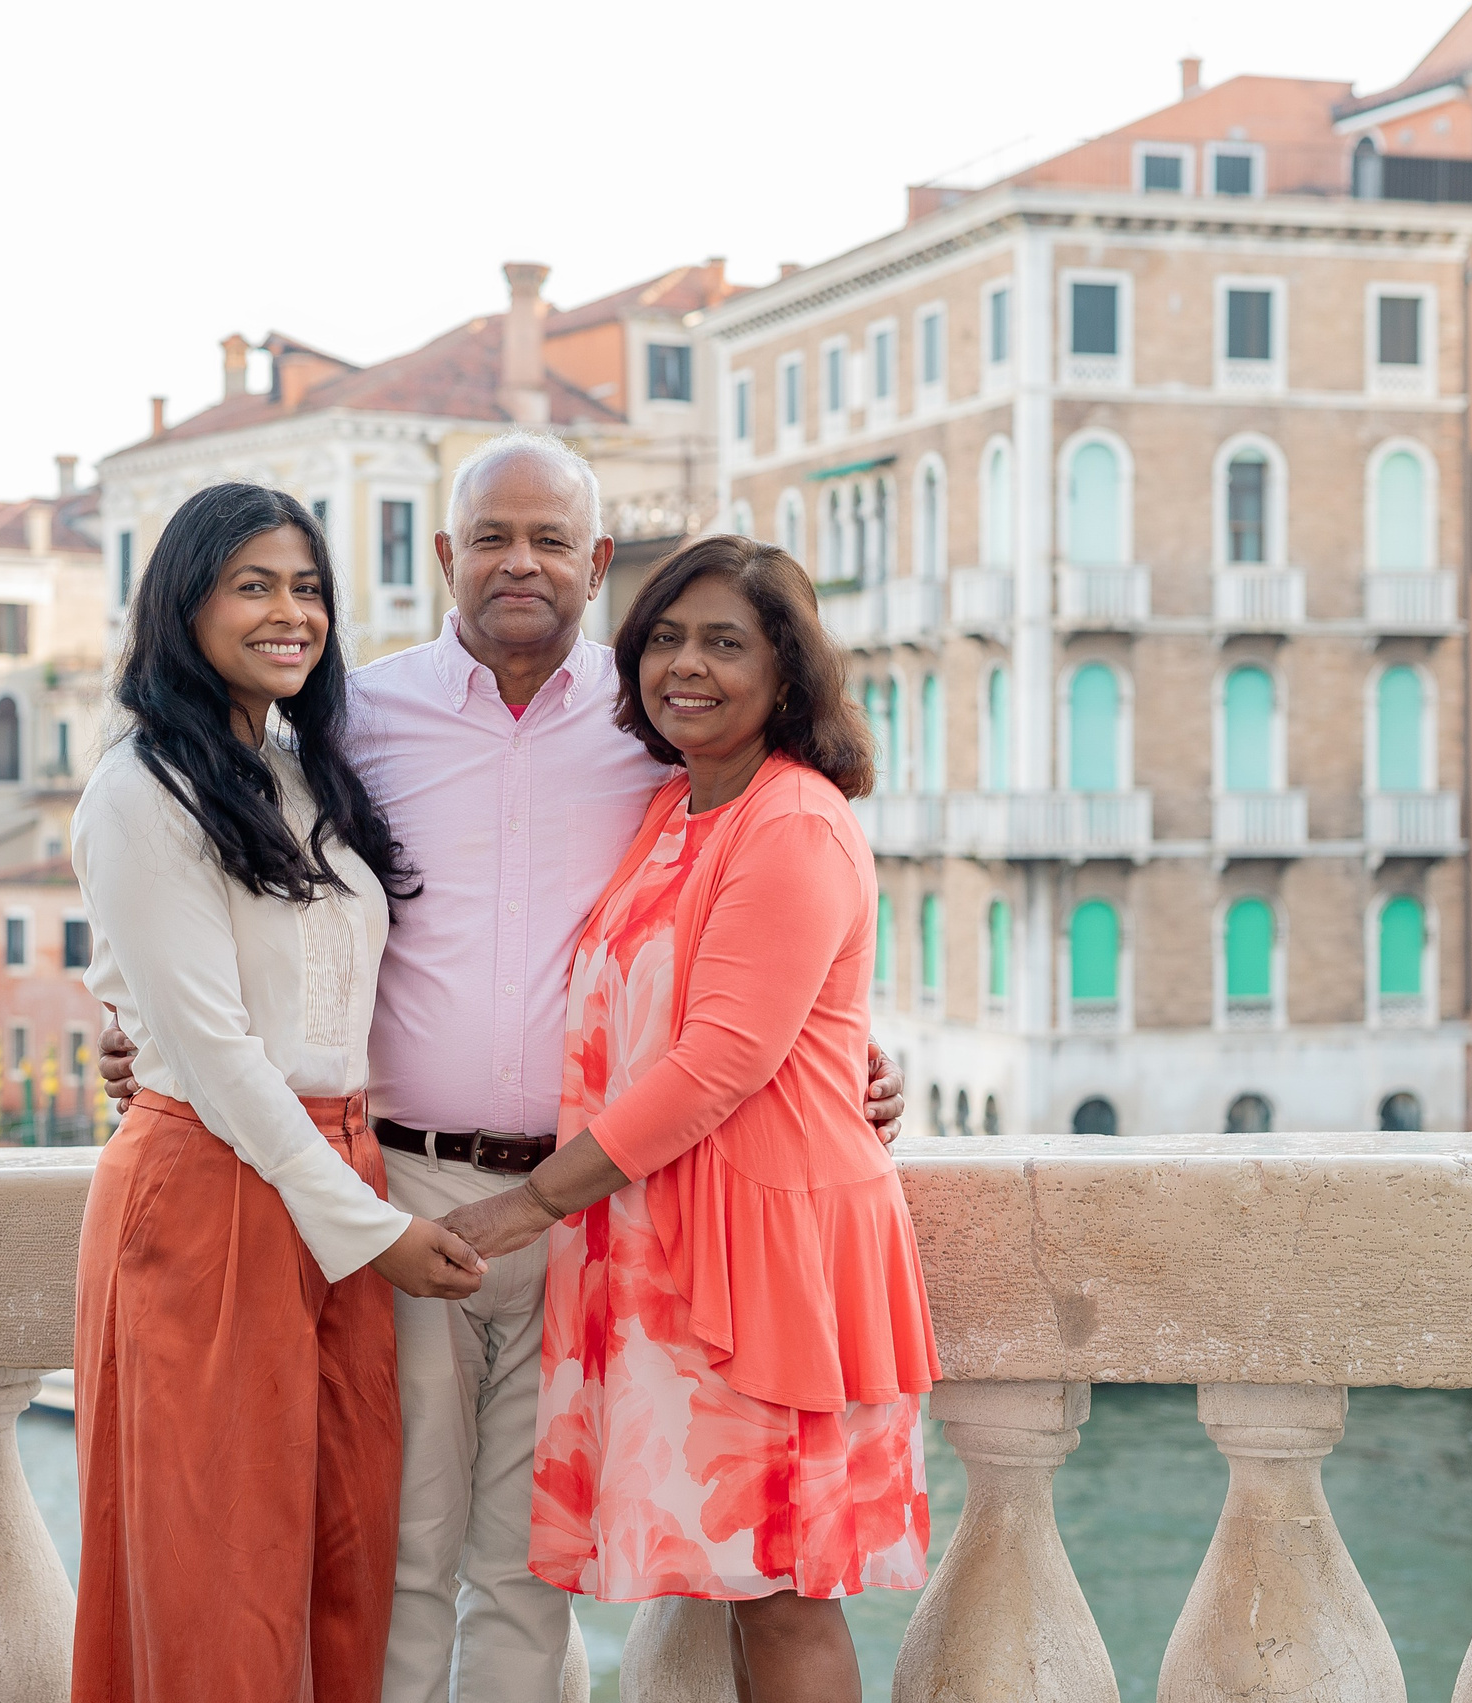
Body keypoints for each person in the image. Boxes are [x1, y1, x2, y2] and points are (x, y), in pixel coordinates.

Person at [99, 436, 906, 1701]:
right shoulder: (348, 719)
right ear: (444, 557)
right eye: (489, 537)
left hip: (601, 1210)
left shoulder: (659, 728)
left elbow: (748, 917)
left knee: (536, 1566)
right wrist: (137, 1023)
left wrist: (848, 1043)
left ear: (595, 562)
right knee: (400, 1550)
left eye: (548, 540)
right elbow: (221, 884)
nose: (517, 562)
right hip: (400, 1191)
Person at [439, 535, 940, 1703]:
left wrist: (527, 1203)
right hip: (670, 1239)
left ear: (788, 670)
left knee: (781, 1586)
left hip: (766, 1250)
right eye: (664, 637)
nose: (687, 666)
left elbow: (720, 1058)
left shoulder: (794, 822)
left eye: (726, 641)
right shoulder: (675, 806)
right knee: (730, 1574)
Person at [67, 481, 487, 1703]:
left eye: (307, 587)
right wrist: (376, 1231)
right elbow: (211, 1055)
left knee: (340, 1557)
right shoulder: (142, 790)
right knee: (215, 1578)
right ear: (184, 602)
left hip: (331, 1183)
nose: (288, 613)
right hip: (215, 1192)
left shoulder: (303, 773)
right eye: (253, 584)